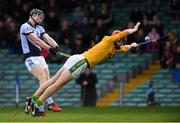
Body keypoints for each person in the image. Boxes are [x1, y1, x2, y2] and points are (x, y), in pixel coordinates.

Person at [26, 22, 141, 116]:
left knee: (52, 80)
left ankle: (32, 99)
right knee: (57, 84)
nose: (122, 42)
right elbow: (125, 33)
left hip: (78, 59)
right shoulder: (109, 39)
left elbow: (124, 48)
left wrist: (132, 45)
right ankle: (37, 104)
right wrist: (133, 30)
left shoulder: (113, 48)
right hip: (82, 62)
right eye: (122, 40)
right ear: (117, 38)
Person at [20, 8, 61, 116]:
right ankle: (51, 103)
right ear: (32, 15)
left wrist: (56, 46)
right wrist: (49, 48)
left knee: (47, 81)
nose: (41, 19)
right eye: (39, 16)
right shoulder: (25, 26)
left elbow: (47, 37)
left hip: (40, 57)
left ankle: (37, 109)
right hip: (30, 58)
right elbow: (35, 40)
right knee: (43, 80)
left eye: (42, 17)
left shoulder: (39, 28)